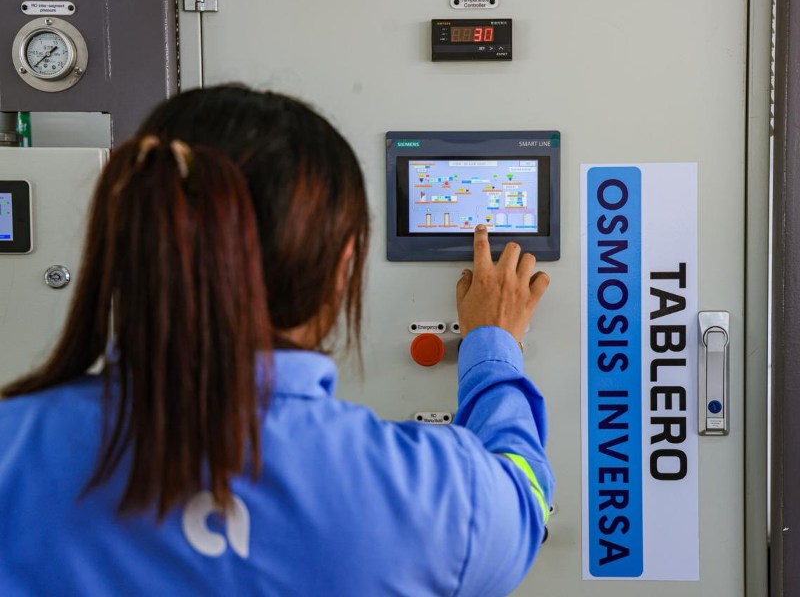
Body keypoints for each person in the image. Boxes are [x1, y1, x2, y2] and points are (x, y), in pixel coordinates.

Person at [0, 85, 554, 596]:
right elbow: (525, 496)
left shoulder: (14, 450)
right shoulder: (430, 496)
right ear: (342, 267)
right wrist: (492, 343)